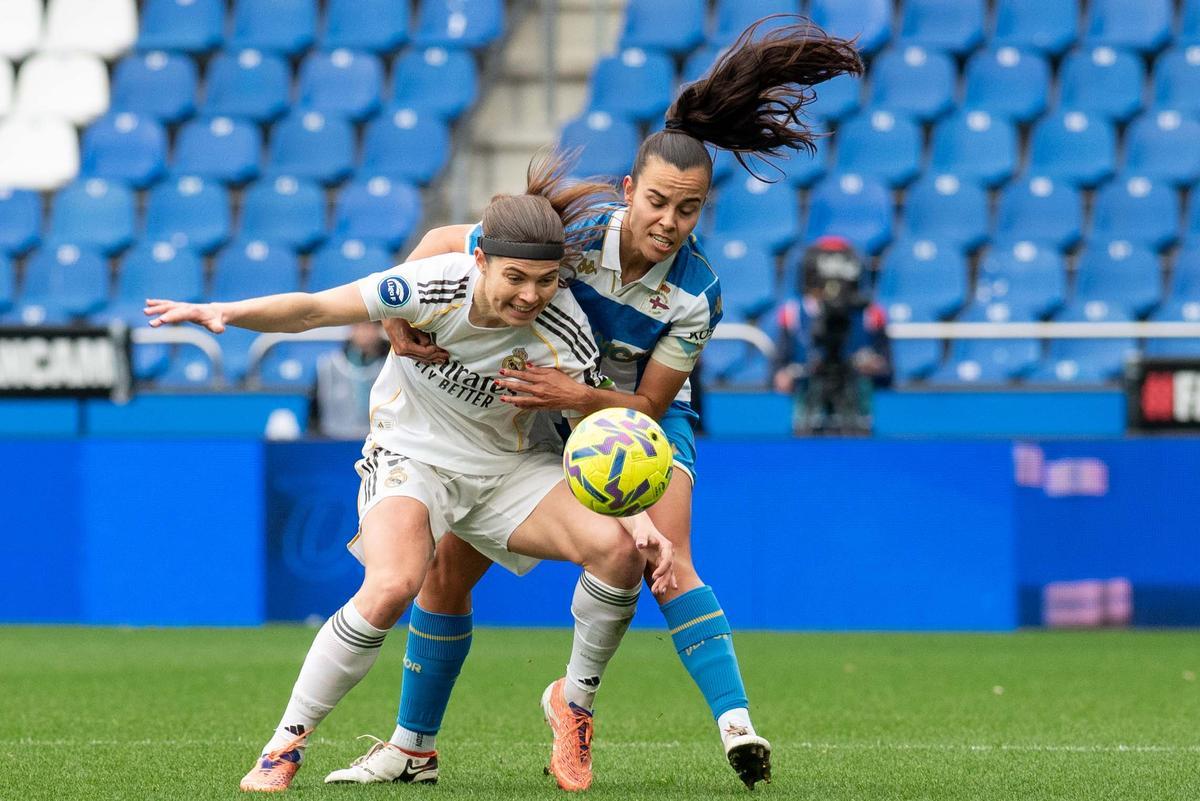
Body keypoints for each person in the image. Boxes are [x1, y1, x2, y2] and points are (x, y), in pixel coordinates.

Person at [338, 15, 864, 791]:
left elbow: (647, 405)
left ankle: (675, 716)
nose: (668, 222)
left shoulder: (697, 294)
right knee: (445, 577)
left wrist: (577, 393)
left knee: (662, 557)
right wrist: (394, 320)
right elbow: (445, 244)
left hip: (631, 422)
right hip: (533, 416)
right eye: (657, 202)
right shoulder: (573, 233)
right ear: (629, 191)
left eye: (688, 210)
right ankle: (414, 744)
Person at [144, 154, 677, 794]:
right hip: (412, 454)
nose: (531, 295)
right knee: (396, 583)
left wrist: (642, 520)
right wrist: (226, 312)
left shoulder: (566, 330)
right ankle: (283, 747)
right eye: (515, 277)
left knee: (621, 553)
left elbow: (590, 443)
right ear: (480, 260)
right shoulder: (427, 285)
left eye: (544, 279)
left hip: (505, 470)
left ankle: (574, 705)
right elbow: (315, 309)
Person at [773, 236, 891, 434]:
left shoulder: (871, 315)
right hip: (809, 397)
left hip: (856, 404)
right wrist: (790, 374)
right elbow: (776, 372)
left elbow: (888, 374)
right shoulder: (792, 313)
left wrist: (873, 366)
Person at [311, 321, 389, 439]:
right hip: (334, 441)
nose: (364, 333)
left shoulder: (392, 364)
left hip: (381, 441)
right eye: (359, 326)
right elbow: (315, 413)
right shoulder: (328, 365)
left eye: (370, 327)